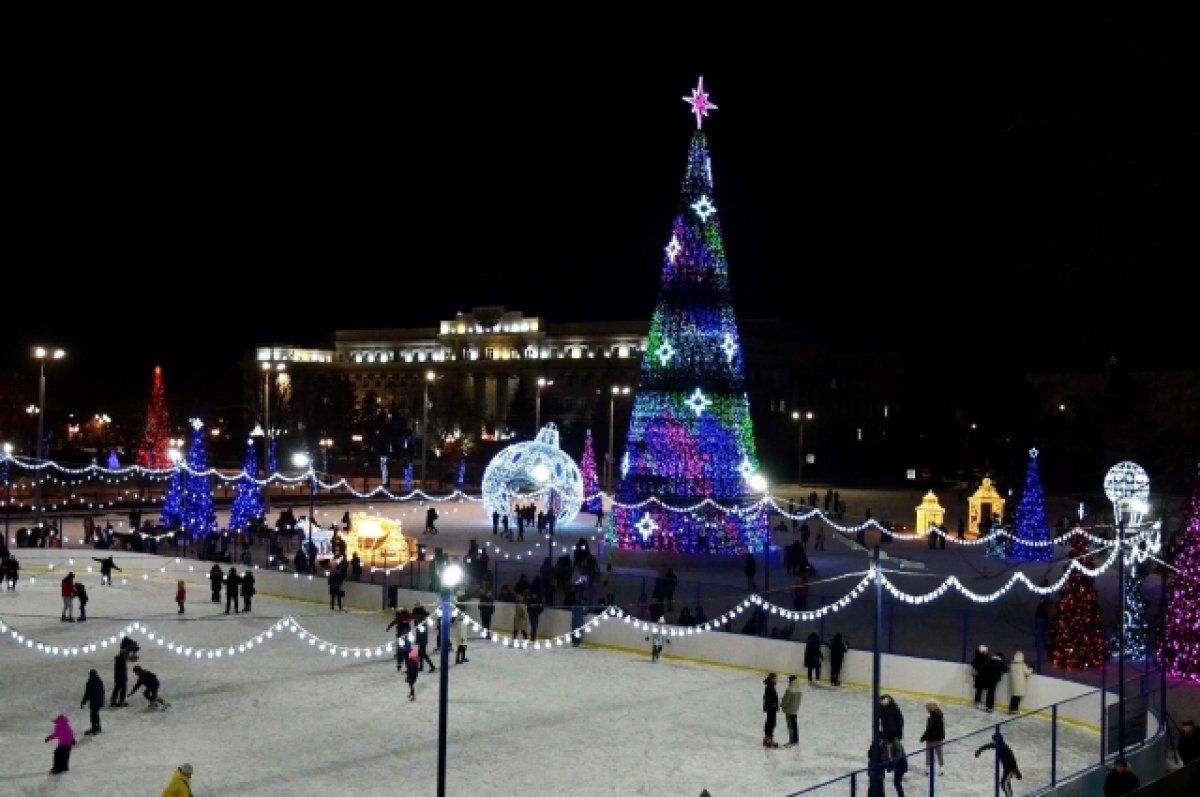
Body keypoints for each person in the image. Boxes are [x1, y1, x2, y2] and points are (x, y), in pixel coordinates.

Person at [975, 730, 1022, 797]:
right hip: (1007, 769)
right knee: (1005, 783)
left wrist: (1016, 771)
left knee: (1004, 783)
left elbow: (1012, 761)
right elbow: (989, 745)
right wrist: (980, 750)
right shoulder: (1000, 745)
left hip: (1010, 770)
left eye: (994, 741)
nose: (994, 742)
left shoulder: (1004, 749)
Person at [919, 702, 945, 775]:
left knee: (928, 754)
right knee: (939, 753)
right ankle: (941, 769)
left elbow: (929, 730)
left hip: (931, 739)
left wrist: (923, 738)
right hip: (939, 739)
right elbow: (941, 729)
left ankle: (927, 770)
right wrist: (942, 737)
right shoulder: (940, 717)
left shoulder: (931, 719)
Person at [80, 668, 106, 735]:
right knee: (96, 714)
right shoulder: (99, 680)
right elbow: (103, 691)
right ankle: (98, 727)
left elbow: (87, 693)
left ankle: (94, 728)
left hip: (94, 701)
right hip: (99, 701)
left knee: (93, 715)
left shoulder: (90, 682)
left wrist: (83, 702)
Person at [879, 694, 905, 759]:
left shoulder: (894, 707)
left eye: (884, 701)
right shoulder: (881, 707)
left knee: (897, 748)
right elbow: (880, 717)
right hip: (886, 731)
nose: (883, 702)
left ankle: (897, 761)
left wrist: (898, 730)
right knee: (887, 747)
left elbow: (900, 720)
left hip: (894, 732)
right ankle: (889, 760)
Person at [780, 674, 803, 747]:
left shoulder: (790, 690)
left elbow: (785, 701)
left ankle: (792, 741)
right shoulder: (799, 689)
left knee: (790, 726)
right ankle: (796, 740)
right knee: (794, 725)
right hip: (795, 710)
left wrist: (782, 705)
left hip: (789, 710)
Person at [761, 672, 780, 748]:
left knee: (769, 723)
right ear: (772, 679)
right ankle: (769, 740)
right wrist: (773, 704)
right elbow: (767, 698)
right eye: (775, 678)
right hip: (771, 709)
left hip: (770, 708)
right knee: (771, 723)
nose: (776, 680)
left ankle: (767, 739)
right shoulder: (770, 687)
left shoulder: (770, 685)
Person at [970, 644, 990, 708]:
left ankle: (977, 701)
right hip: (979, 676)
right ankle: (977, 702)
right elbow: (977, 667)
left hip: (980, 676)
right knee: (979, 689)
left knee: (979, 689)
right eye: (986, 651)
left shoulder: (981, 658)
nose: (987, 652)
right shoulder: (981, 659)